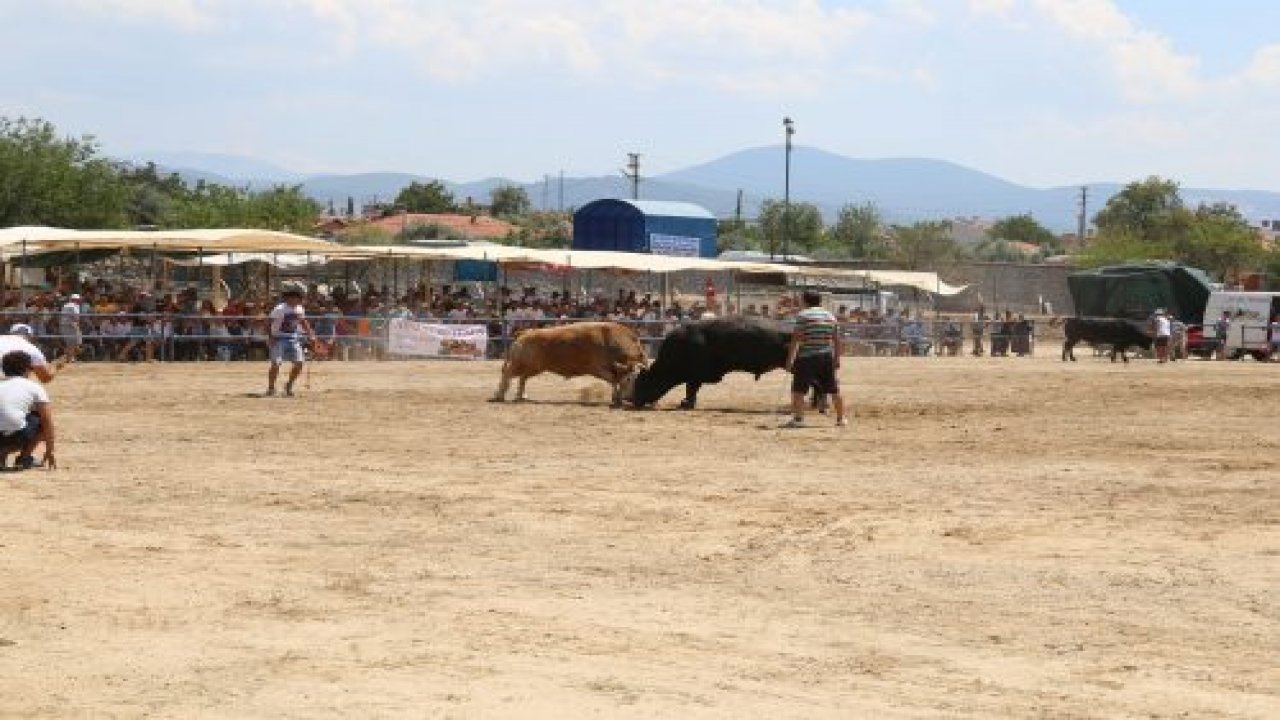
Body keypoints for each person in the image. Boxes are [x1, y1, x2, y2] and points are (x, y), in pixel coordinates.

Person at [783, 290, 846, 428]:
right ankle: (841, 419)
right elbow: (836, 340)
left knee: (799, 390)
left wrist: (790, 360)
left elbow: (795, 339)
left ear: (805, 301)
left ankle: (798, 419)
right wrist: (837, 358)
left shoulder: (803, 315)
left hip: (807, 357)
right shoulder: (830, 316)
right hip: (826, 356)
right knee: (833, 389)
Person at [0, 350, 56, 470]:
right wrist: (50, 451)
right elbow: (47, 420)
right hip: (16, 437)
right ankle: (24, 458)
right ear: (27, 369)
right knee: (38, 419)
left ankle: (1, 458)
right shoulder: (34, 388)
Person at [266, 284, 319, 397]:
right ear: (287, 298)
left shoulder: (300, 309)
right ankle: (271, 387)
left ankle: (289, 385)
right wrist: (270, 337)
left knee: (299, 363)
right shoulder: (279, 309)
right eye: (292, 297)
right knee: (276, 363)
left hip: (293, 338)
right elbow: (268, 322)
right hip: (278, 338)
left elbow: (303, 322)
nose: (295, 299)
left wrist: (311, 334)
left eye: (297, 297)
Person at [59, 293, 83, 362]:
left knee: (71, 343)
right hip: (70, 325)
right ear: (75, 300)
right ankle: (70, 358)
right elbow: (76, 317)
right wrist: (77, 325)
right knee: (73, 343)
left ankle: (69, 357)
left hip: (64, 325)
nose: (79, 301)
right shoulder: (75, 306)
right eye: (78, 300)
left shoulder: (65, 305)